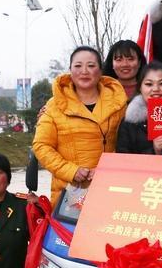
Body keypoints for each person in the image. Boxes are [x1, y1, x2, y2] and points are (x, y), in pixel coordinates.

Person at [33, 46, 128, 206]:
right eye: (78, 66)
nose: (84, 71)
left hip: (110, 188)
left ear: (100, 70)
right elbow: (41, 146)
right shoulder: (54, 105)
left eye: (91, 65)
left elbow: (127, 145)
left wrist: (106, 170)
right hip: (69, 193)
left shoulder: (117, 103)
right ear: (70, 70)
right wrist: (71, 171)